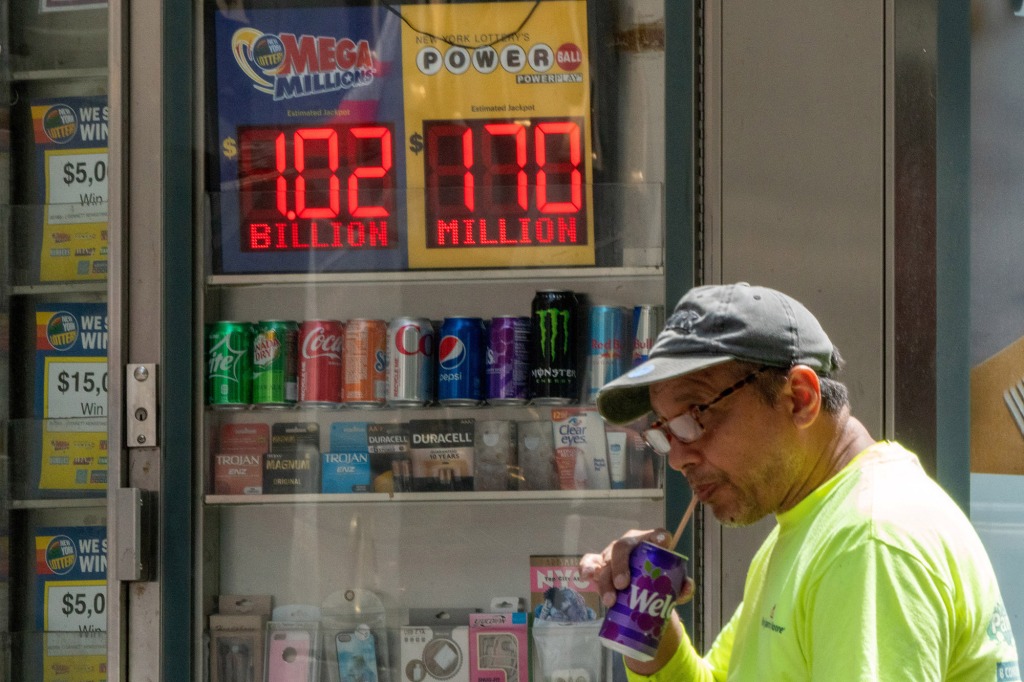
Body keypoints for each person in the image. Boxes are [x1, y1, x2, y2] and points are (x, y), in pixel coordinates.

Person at [580, 282, 1019, 681]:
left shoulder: (868, 540)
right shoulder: (813, 525)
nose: (677, 457)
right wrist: (646, 624)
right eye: (663, 432)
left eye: (695, 415)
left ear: (799, 399)